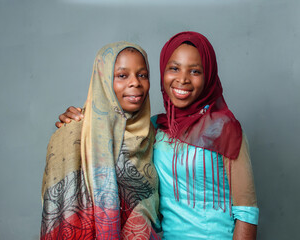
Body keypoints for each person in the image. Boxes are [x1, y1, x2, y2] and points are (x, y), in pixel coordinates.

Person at [56, 31, 259, 239]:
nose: (182, 79)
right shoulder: (153, 128)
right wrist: (81, 119)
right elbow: (111, 135)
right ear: (163, 71)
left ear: (208, 76)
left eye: (195, 71)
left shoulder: (226, 130)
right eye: (174, 68)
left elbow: (247, 212)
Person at [41, 42, 161, 240]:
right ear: (103, 79)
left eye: (142, 75)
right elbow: (59, 212)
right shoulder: (75, 134)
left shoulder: (154, 135)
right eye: (122, 75)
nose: (135, 83)